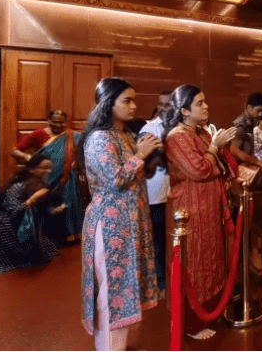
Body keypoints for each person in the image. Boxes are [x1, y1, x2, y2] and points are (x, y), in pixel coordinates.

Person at [79, 77, 162, 351]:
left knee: (124, 290)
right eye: (127, 100)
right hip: (110, 227)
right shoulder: (99, 138)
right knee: (112, 294)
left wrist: (149, 158)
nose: (133, 106)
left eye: (133, 99)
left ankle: (118, 347)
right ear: (108, 104)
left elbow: (134, 175)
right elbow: (115, 180)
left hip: (129, 225)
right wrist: (140, 154)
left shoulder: (125, 135)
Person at [164, 85, 237, 340]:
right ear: (184, 110)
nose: (206, 107)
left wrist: (220, 147)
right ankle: (191, 323)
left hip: (208, 210)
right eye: (199, 103)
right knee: (194, 263)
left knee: (211, 259)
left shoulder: (201, 133)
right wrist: (215, 147)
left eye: (205, 101)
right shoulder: (176, 137)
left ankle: (210, 311)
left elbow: (218, 165)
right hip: (190, 213)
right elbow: (199, 169)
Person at [0, 154, 60, 273]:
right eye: (44, 168)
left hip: (28, 227)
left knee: (47, 251)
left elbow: (42, 209)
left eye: (50, 168)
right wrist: (33, 199)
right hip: (7, 228)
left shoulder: (42, 185)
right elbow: (14, 212)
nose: (48, 171)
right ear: (32, 169)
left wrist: (54, 210)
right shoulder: (18, 186)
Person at [138, 91, 172, 293]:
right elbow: (143, 162)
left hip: (176, 194)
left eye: (169, 105)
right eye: (161, 105)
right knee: (158, 240)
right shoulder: (149, 129)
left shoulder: (180, 127)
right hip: (155, 196)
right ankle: (160, 282)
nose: (164, 109)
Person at [32, 110, 83, 244]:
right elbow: (23, 152)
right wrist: (27, 158)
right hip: (46, 179)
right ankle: (47, 236)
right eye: (55, 122)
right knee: (46, 206)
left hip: (67, 178)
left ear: (66, 122)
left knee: (69, 204)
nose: (58, 125)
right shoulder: (40, 135)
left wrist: (77, 163)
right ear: (49, 121)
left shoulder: (73, 136)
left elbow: (85, 152)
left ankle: (70, 234)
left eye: (61, 122)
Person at [230, 92, 262, 168]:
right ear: (249, 108)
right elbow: (234, 150)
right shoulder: (240, 124)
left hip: (248, 165)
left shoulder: (253, 121)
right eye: (258, 111)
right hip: (239, 167)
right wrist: (257, 162)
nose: (260, 114)